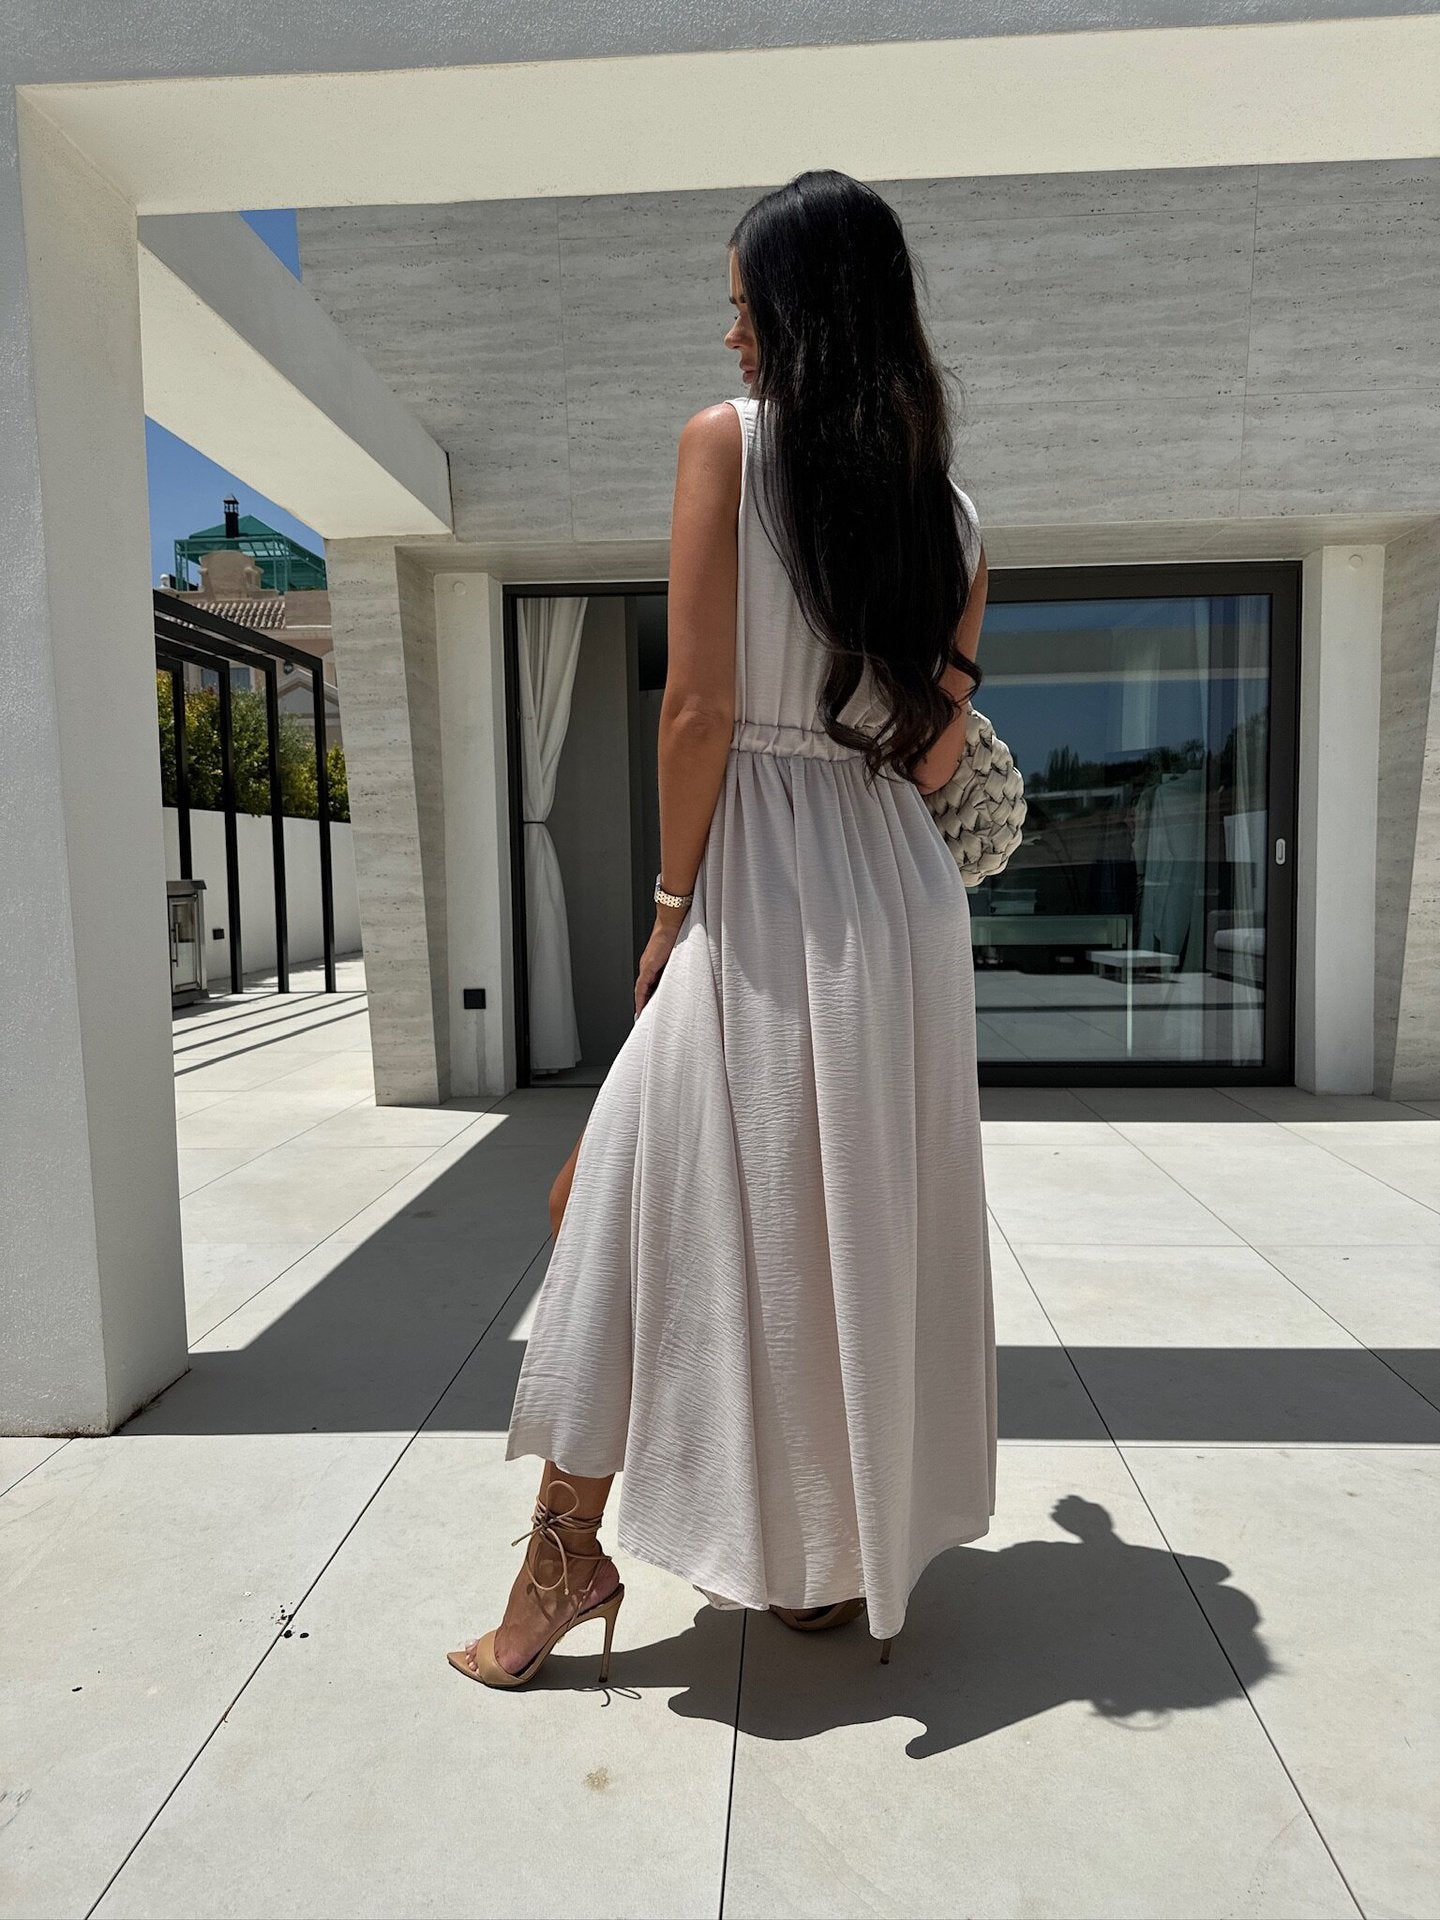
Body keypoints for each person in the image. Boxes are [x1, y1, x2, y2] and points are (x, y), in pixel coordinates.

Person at [449, 168, 996, 1690]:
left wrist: (673, 901)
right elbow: (934, 753)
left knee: (623, 1190)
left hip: (757, 880)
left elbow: (694, 710)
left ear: (804, 314)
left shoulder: (725, 448)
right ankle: (816, 1553)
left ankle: (569, 1561)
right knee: (826, 1211)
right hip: (891, 896)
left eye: (747, 303)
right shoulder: (952, 514)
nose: (734, 332)